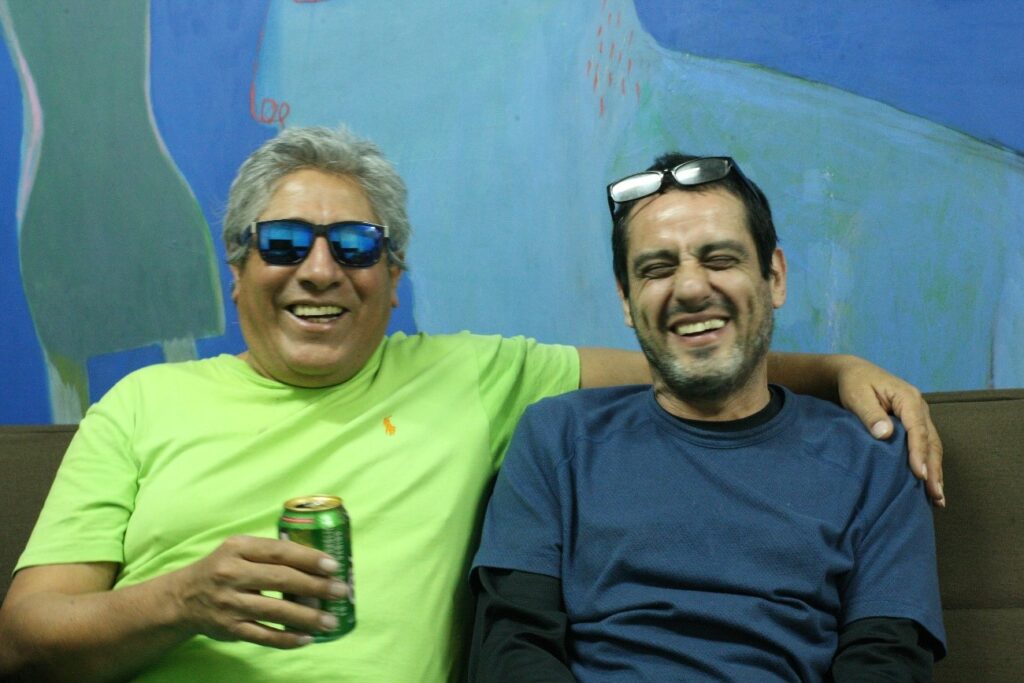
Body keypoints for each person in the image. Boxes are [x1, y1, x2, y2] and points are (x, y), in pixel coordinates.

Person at [0, 129, 942, 683]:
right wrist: (179, 599)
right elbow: (22, 639)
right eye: (283, 242)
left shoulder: (476, 377)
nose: (319, 270)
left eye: (355, 245)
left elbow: (692, 354)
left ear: (393, 275)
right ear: (237, 267)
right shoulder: (141, 403)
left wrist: (834, 369)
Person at [469, 154, 947, 681]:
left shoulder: (875, 458)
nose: (692, 289)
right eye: (657, 269)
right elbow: (512, 650)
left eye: (719, 260)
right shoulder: (555, 440)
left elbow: (886, 664)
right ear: (627, 300)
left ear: (775, 277)